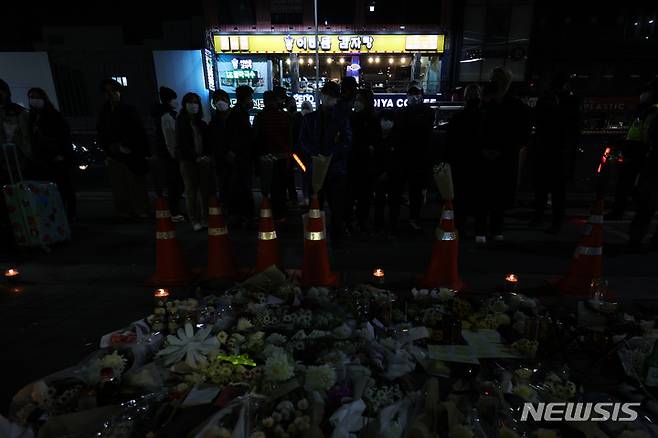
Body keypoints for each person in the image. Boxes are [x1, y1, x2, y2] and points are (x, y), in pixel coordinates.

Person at [475, 69, 531, 243]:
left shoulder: (486, 102)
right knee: (498, 194)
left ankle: (482, 230)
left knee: (485, 194)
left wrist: (484, 148)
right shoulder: (515, 105)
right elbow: (521, 133)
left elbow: (478, 128)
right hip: (505, 156)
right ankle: (496, 229)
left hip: (488, 154)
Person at [300, 81, 352, 244]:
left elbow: (347, 143)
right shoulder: (310, 119)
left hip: (335, 172)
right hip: (315, 172)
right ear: (321, 95)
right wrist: (315, 155)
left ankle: (337, 240)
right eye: (326, 94)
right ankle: (315, 239)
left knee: (337, 209)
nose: (328, 98)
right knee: (315, 207)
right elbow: (302, 142)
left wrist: (329, 155)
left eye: (332, 96)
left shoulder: (342, 119)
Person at [531, 73, 580, 233]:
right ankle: (555, 221)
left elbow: (537, 121)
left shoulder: (546, 100)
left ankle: (539, 217)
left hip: (545, 149)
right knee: (558, 191)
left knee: (542, 188)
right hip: (560, 151)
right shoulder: (570, 103)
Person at [96, 78, 150, 219]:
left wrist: (126, 145)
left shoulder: (128, 109)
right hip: (114, 154)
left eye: (114, 91)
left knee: (135, 183)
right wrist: (108, 148)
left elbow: (137, 131)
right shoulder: (104, 112)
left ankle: (140, 209)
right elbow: (101, 132)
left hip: (130, 153)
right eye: (108, 92)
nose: (112, 95)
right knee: (119, 185)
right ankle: (125, 210)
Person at [608, 82, 658, 220]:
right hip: (636, 149)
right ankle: (624, 210)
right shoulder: (644, 110)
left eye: (646, 93)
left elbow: (648, 133)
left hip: (642, 151)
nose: (642, 96)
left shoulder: (652, 111)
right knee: (629, 183)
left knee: (630, 184)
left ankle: (625, 211)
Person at [27, 88, 76, 220]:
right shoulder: (31, 116)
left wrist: (62, 154)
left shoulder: (54, 115)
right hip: (42, 159)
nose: (34, 100)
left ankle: (69, 214)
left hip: (57, 157)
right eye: (31, 97)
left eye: (37, 97)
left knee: (64, 187)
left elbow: (63, 136)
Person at [445, 84, 483, 235]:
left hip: (460, 162)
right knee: (478, 195)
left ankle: (459, 225)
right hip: (478, 161)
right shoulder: (483, 116)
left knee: (460, 196)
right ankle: (479, 229)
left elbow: (450, 142)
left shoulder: (458, 117)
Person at [398, 84, 434, 231]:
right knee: (414, 190)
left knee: (413, 190)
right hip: (416, 156)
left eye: (416, 94)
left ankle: (408, 218)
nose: (414, 97)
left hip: (412, 156)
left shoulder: (405, 113)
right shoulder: (425, 112)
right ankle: (412, 218)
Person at [175, 92, 213, 232]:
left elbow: (207, 142)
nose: (194, 105)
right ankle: (194, 219)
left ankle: (204, 218)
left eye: (196, 102)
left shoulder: (201, 123)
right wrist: (194, 156)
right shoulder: (181, 122)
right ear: (185, 105)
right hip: (188, 161)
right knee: (191, 191)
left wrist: (206, 156)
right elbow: (182, 143)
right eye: (190, 102)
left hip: (202, 160)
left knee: (204, 191)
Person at [253, 90, 291, 219]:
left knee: (269, 185)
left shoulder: (260, 116)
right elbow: (289, 136)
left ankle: (270, 210)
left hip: (267, 156)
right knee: (281, 185)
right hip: (283, 155)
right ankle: (281, 211)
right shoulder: (284, 116)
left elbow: (256, 137)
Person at [629, 81, 658, 250]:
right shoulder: (651, 112)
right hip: (652, 162)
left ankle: (636, 240)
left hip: (652, 162)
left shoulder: (652, 112)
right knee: (647, 205)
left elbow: (650, 136)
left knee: (646, 205)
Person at [346, 88, 379, 233]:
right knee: (352, 195)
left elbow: (376, 143)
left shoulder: (372, 119)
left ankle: (360, 221)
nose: (357, 103)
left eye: (360, 100)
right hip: (354, 163)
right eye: (356, 100)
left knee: (363, 196)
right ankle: (352, 221)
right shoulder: (351, 117)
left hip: (365, 165)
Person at [152, 86, 184, 222]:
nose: (175, 102)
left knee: (175, 183)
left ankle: (174, 209)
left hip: (169, 155)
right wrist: (174, 154)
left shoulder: (164, 115)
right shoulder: (166, 116)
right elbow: (169, 138)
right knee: (175, 184)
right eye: (173, 99)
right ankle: (174, 212)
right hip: (171, 155)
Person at [224, 85, 255, 225]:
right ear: (245, 98)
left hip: (241, 156)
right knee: (243, 186)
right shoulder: (239, 114)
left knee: (239, 186)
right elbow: (240, 137)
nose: (252, 101)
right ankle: (245, 215)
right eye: (250, 97)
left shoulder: (236, 113)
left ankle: (239, 214)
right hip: (242, 157)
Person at [373, 110, 404, 236]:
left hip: (394, 175)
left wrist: (388, 171)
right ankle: (378, 226)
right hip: (379, 174)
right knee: (379, 202)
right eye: (384, 120)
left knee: (394, 202)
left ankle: (393, 225)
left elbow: (399, 158)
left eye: (388, 120)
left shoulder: (398, 137)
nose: (385, 123)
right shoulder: (376, 137)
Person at [208, 89, 231, 203]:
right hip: (221, 159)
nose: (220, 102)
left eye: (223, 99)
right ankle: (225, 207)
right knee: (223, 184)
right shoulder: (213, 121)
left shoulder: (235, 118)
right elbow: (213, 141)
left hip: (235, 158)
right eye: (217, 100)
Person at [285, 96, 302, 204]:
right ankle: (293, 196)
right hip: (291, 150)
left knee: (301, 170)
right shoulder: (288, 117)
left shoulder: (296, 117)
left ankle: (294, 195)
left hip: (295, 150)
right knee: (289, 173)